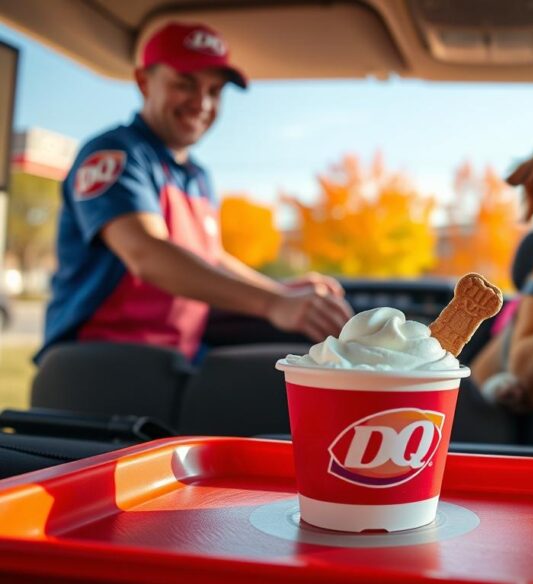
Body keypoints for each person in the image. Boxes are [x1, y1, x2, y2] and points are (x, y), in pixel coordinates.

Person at [39, 22, 352, 363]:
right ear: (144, 83)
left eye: (215, 91)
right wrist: (274, 304)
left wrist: (281, 290)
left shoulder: (196, 175)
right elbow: (146, 253)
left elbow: (211, 258)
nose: (202, 102)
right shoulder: (113, 155)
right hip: (105, 357)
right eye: (185, 84)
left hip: (180, 354)